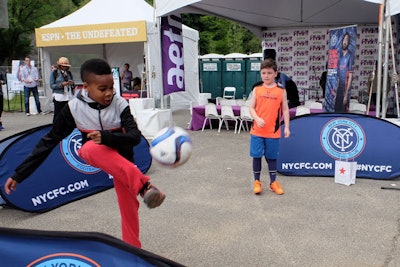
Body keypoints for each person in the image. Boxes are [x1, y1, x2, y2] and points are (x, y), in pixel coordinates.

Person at [4, 58, 166, 248]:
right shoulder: (73, 108)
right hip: (95, 155)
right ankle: (145, 186)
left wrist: (106, 138)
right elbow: (48, 141)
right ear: (86, 86)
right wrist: (20, 173)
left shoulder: (120, 104)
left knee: (129, 209)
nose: (109, 93)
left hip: (123, 163)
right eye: (102, 88)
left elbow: (135, 137)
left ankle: (133, 251)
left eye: (111, 87)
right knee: (87, 147)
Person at [249, 58, 290, 195]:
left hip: (273, 132)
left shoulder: (281, 91)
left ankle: (273, 182)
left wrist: (287, 127)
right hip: (257, 130)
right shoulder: (257, 89)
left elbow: (285, 110)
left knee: (272, 157)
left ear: (275, 73)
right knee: (256, 156)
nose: (266, 75)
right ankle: (257, 182)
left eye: (269, 73)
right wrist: (257, 118)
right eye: (263, 73)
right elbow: (251, 108)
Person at [50, 57, 76, 122]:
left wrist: (72, 83)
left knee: (68, 114)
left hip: (69, 96)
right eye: (63, 66)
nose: (65, 67)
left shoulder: (69, 73)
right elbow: (52, 85)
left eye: (66, 66)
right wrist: (61, 85)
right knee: (58, 114)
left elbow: (73, 84)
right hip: (59, 96)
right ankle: (55, 128)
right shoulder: (54, 73)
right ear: (60, 66)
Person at [335, 32, 353, 112]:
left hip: (345, 90)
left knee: (343, 112)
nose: (345, 41)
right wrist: (335, 93)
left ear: (349, 42)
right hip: (338, 90)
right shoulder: (339, 56)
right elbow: (338, 76)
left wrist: (346, 94)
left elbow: (350, 76)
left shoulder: (350, 56)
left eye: (347, 40)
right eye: (344, 39)